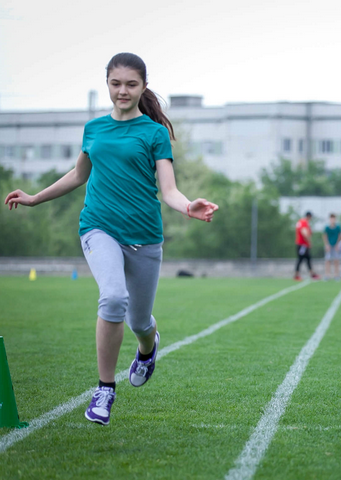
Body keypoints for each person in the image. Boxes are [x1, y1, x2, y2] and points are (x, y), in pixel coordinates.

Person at [4, 53, 219, 425]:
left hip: (145, 237)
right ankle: (105, 388)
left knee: (139, 321)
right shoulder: (94, 129)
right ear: (107, 84)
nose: (123, 91)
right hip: (98, 227)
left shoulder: (154, 133)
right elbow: (77, 175)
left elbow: (168, 190)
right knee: (114, 297)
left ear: (143, 87)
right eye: (116, 83)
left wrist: (189, 207)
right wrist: (35, 197)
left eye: (131, 84)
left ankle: (147, 350)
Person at [295, 211, 319, 281]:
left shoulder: (301, 222)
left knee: (308, 259)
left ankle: (312, 273)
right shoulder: (304, 222)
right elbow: (304, 232)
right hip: (303, 245)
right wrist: (309, 241)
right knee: (301, 259)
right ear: (309, 216)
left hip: (303, 244)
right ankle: (296, 274)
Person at [322, 213, 341, 280]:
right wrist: (327, 245)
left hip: (335, 245)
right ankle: (327, 274)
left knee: (336, 260)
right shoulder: (327, 227)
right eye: (331, 218)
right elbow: (325, 236)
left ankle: (336, 275)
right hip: (329, 245)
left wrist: (337, 244)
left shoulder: (338, 227)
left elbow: (340, 236)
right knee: (327, 260)